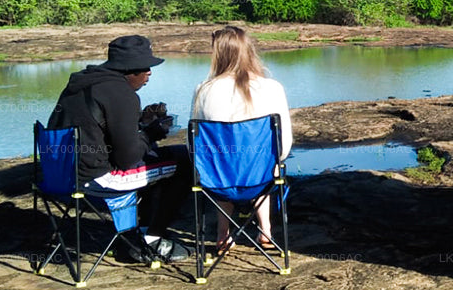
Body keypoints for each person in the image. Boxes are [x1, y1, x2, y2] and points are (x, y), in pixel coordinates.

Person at [48, 35, 193, 262]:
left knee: (158, 162)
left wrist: (140, 123)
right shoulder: (122, 93)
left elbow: (95, 128)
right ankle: (151, 241)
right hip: (97, 180)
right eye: (145, 67)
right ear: (130, 70)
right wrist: (150, 133)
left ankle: (138, 233)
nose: (150, 73)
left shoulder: (81, 83)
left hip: (59, 176)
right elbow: (127, 159)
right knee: (186, 161)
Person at [191, 25, 293, 254]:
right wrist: (278, 160)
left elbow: (196, 145)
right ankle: (265, 230)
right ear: (249, 51)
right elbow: (283, 143)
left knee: (222, 160)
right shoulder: (272, 87)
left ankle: (222, 233)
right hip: (261, 175)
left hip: (217, 177)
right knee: (262, 159)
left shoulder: (203, 90)